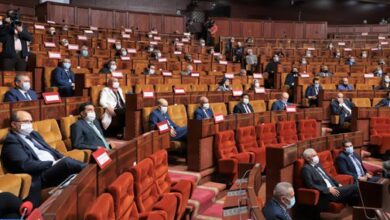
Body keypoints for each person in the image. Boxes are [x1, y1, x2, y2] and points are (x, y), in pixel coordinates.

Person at [1, 111, 85, 206]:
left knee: (70, 165)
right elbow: (25, 164)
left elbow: (49, 149)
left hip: (53, 167)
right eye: (25, 122)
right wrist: (52, 163)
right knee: (67, 162)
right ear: (14, 124)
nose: (29, 124)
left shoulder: (34, 134)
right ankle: (91, 168)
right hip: (40, 174)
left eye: (30, 121)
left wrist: (61, 157)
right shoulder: (12, 141)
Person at [301, 148, 359, 212]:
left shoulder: (318, 165)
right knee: (355, 186)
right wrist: (328, 190)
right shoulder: (306, 169)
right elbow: (310, 185)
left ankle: (360, 212)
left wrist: (338, 183)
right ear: (307, 158)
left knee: (355, 195)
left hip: (335, 188)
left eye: (316, 155)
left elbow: (328, 177)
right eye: (313, 156)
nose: (316, 157)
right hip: (327, 193)